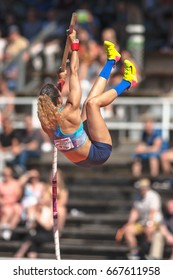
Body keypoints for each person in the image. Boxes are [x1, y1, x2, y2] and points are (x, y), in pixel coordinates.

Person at [38, 29, 138, 168]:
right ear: (59, 100)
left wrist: (61, 82)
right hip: (98, 153)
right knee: (92, 104)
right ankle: (128, 82)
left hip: (80, 160)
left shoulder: (45, 123)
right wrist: (74, 44)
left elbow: (53, 102)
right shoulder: (70, 108)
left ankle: (111, 60)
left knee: (87, 104)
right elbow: (74, 70)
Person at [116, 178, 163, 259]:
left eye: (143, 187)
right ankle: (134, 253)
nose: (142, 189)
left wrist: (149, 224)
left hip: (154, 221)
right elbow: (135, 211)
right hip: (142, 222)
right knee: (128, 230)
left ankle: (148, 252)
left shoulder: (153, 196)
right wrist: (129, 223)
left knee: (149, 230)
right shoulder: (137, 195)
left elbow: (153, 212)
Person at [0, 166, 22, 240]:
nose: (6, 176)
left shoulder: (16, 183)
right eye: (4, 174)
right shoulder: (1, 184)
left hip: (13, 203)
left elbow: (18, 196)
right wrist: (4, 201)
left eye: (8, 174)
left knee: (17, 209)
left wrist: (10, 201)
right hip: (4, 205)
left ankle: (9, 230)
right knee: (8, 211)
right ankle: (2, 229)